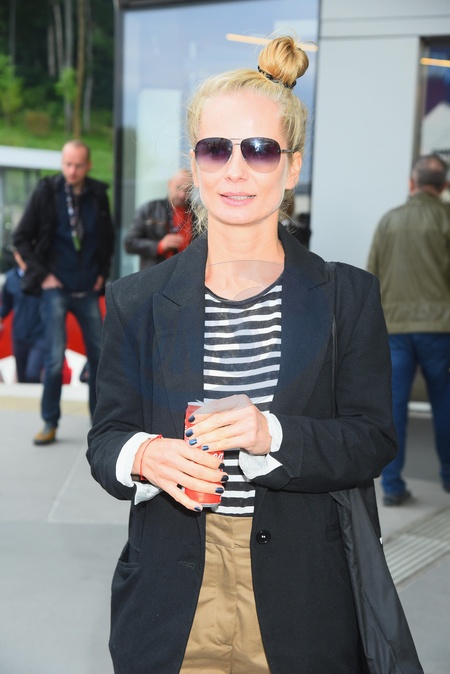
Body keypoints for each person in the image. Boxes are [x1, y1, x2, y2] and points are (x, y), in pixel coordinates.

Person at [87, 36, 421, 674]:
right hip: (169, 598)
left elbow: (372, 439)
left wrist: (274, 435)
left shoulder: (346, 296)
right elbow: (106, 440)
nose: (235, 170)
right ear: (195, 165)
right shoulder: (138, 299)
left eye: (260, 149)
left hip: (303, 598)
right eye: (216, 149)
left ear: (292, 168)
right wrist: (144, 455)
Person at [13, 140, 115, 445]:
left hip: (87, 288)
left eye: (78, 165)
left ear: (88, 165)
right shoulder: (47, 192)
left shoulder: (97, 194)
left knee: (99, 358)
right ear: (62, 163)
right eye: (67, 164)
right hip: (55, 287)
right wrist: (42, 276)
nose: (72, 170)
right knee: (54, 358)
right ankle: (50, 421)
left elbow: (107, 240)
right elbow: (21, 238)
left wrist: (101, 274)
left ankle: (100, 426)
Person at [367, 154, 450, 506]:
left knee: (394, 407)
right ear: (444, 186)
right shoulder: (446, 218)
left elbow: (372, 275)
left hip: (395, 329)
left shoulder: (390, 220)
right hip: (440, 328)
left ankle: (391, 487)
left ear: (412, 183)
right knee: (444, 403)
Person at [124, 168, 193, 269]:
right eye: (179, 188)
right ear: (169, 184)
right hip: (157, 272)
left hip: (187, 270)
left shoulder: (197, 213)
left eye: (188, 190)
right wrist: (159, 246)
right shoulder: (149, 209)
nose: (182, 194)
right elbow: (129, 243)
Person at [0, 249, 45, 383]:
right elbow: (7, 305)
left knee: (33, 374)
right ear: (15, 255)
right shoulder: (11, 278)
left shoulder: (42, 276)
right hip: (19, 336)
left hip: (40, 335)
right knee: (22, 378)